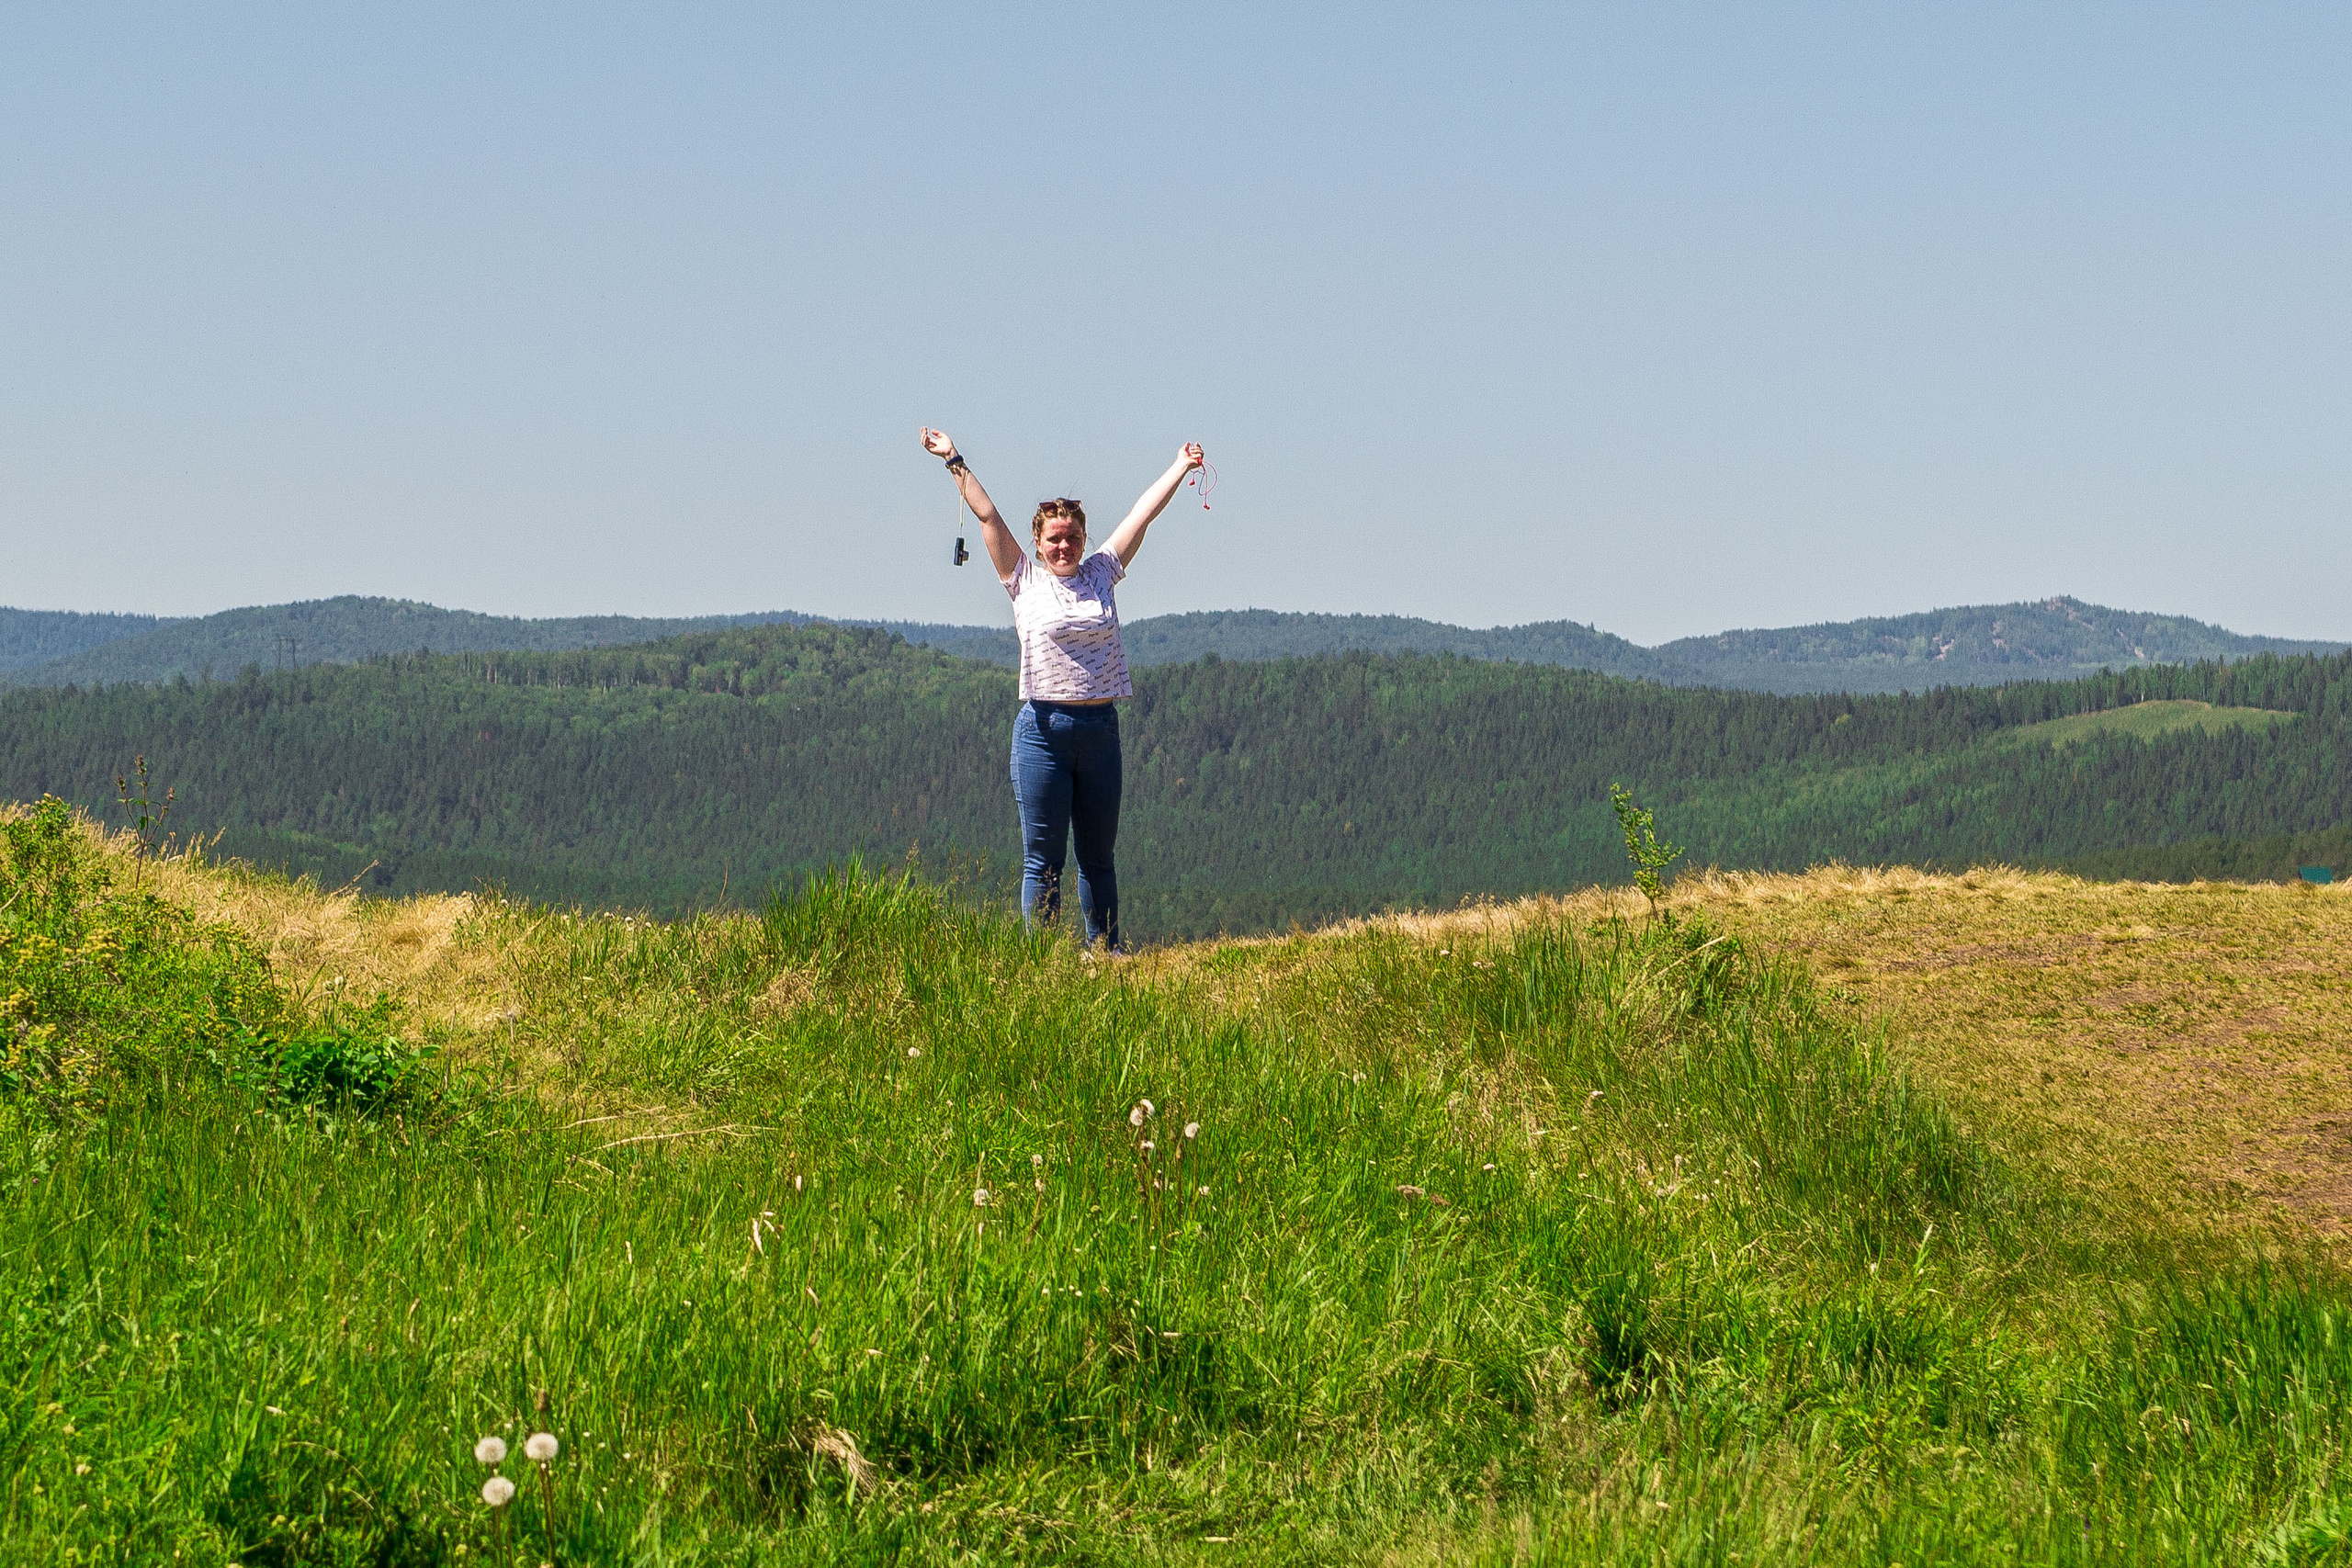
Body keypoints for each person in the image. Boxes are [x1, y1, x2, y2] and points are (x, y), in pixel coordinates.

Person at [920, 427, 1205, 952]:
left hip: (1100, 730)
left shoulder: (1102, 573)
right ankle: (1043, 960)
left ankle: (1107, 951)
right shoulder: (1021, 578)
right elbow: (987, 516)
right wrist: (953, 458)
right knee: (1042, 856)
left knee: (1098, 855)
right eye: (1054, 537)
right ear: (1037, 542)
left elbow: (1141, 516)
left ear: (1084, 538)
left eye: (1072, 536)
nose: (1064, 545)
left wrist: (1180, 467)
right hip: (1042, 732)